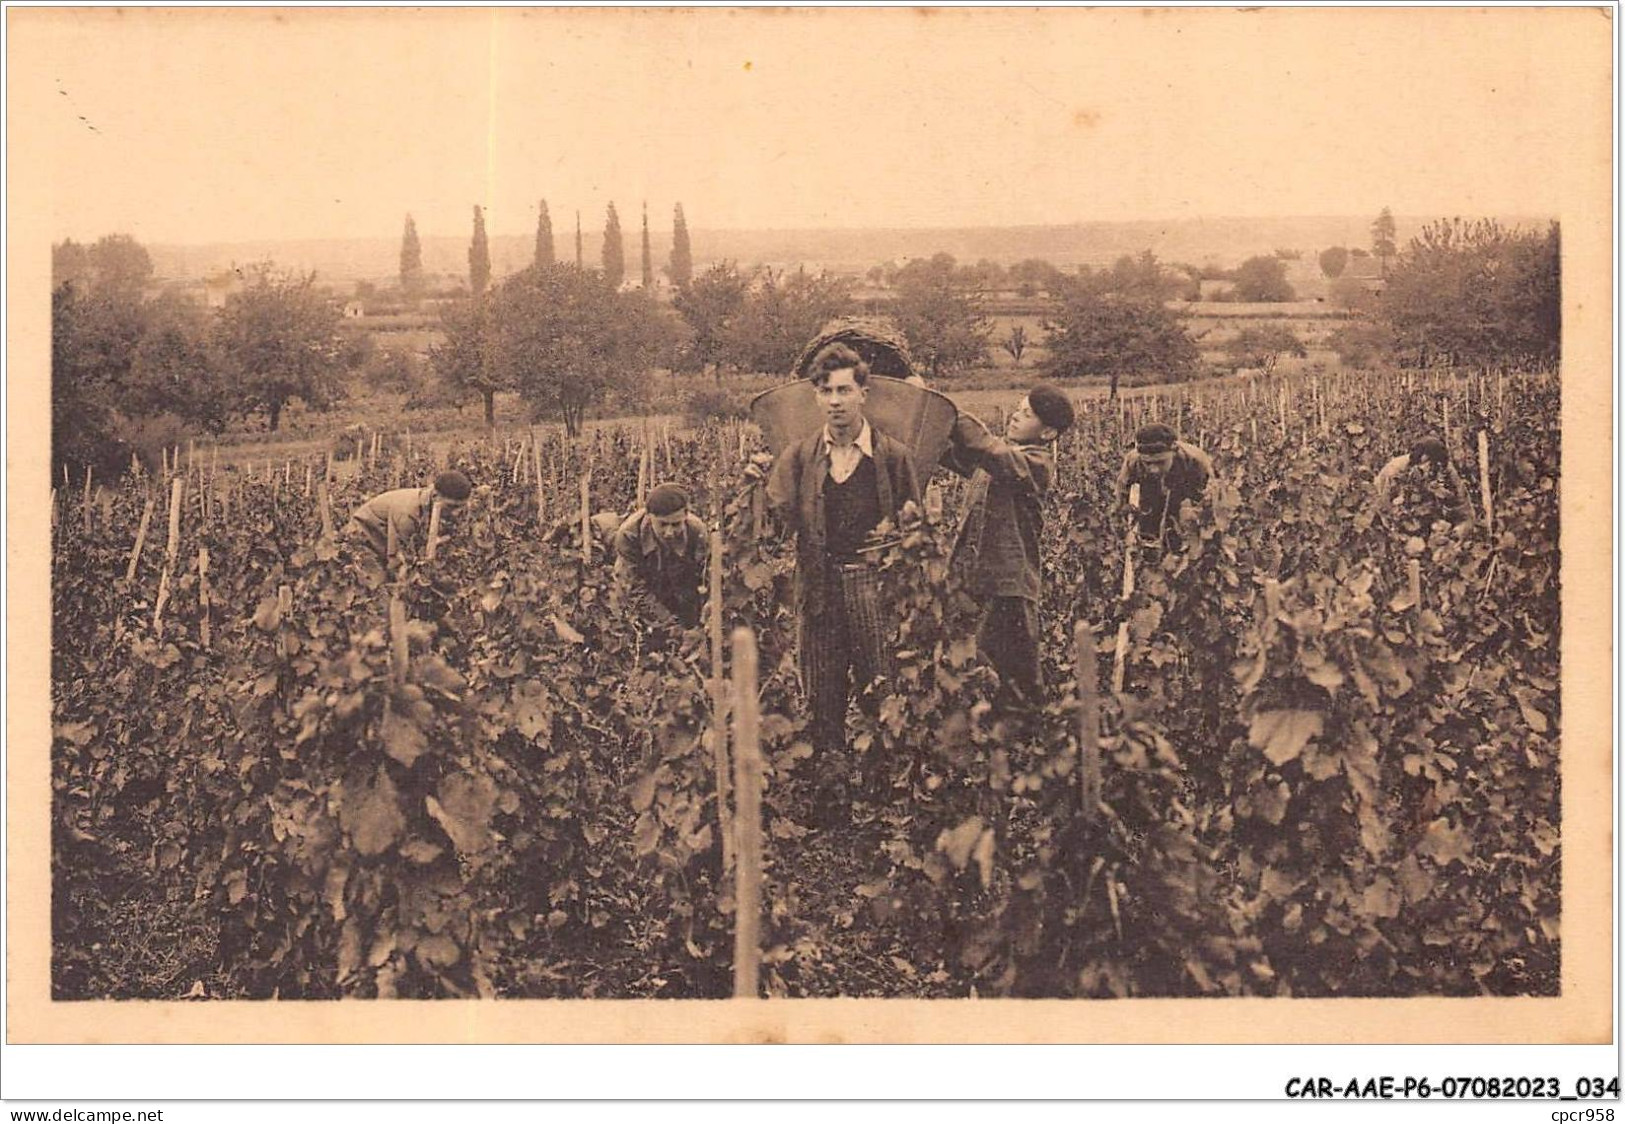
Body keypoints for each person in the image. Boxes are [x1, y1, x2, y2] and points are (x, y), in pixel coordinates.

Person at [747, 341, 921, 813]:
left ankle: (885, 790)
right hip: (819, 585)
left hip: (874, 587)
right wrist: (753, 490)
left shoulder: (892, 457)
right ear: (816, 399)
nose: (836, 401)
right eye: (826, 391)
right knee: (821, 689)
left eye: (845, 389)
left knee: (880, 685)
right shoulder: (800, 458)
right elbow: (772, 522)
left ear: (864, 393)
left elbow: (914, 531)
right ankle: (832, 793)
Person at [940, 384, 1075, 718]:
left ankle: (1027, 743)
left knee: (1013, 675)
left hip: (1009, 585)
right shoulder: (1001, 456)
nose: (1016, 415)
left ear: (1048, 432)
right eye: (1018, 408)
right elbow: (958, 453)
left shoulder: (1034, 464)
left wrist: (947, 411)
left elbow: (988, 450)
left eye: (1027, 413)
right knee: (976, 663)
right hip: (976, 577)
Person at [611, 482, 710, 628]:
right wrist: (672, 626)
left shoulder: (697, 531)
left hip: (677, 590)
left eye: (676, 524)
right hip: (641, 598)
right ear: (649, 517)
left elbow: (703, 577)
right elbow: (635, 589)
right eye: (662, 524)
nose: (669, 533)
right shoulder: (629, 535)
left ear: (686, 515)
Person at [1116, 423, 1213, 552]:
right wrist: (1126, 530)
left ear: (1174, 451)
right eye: (1148, 463)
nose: (1154, 469)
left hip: (1185, 493)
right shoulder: (1133, 461)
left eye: (1160, 462)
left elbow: (1209, 501)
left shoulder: (1196, 461)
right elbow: (1121, 497)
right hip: (1151, 492)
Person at [346, 470, 472, 558]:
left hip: (387, 532)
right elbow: (396, 557)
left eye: (461, 507)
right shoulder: (407, 513)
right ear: (435, 496)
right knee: (381, 581)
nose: (456, 513)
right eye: (452, 506)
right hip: (364, 535)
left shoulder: (436, 504)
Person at [1374, 436, 1475, 529]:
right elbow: (1384, 502)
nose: (1429, 468)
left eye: (1432, 464)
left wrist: (1464, 525)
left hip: (1425, 510)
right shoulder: (1396, 469)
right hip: (1398, 508)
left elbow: (1462, 499)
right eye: (1426, 464)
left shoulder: (1444, 467)